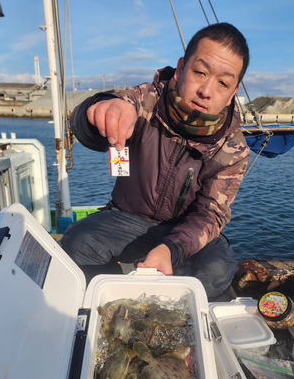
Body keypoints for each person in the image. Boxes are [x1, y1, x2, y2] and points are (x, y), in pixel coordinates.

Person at [61, 22, 250, 300]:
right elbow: (101, 114)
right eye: (200, 72)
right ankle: (106, 303)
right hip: (125, 218)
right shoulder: (147, 99)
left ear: (233, 92)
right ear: (182, 67)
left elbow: (211, 213)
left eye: (223, 82)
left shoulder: (233, 149)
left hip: (184, 231)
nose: (206, 91)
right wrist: (99, 110)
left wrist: (171, 249)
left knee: (218, 268)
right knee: (77, 243)